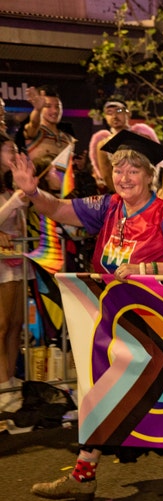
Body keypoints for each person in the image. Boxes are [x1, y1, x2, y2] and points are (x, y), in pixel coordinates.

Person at [11, 130, 163, 499]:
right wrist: (31, 193)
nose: (124, 177)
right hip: (112, 324)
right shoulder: (108, 207)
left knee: (122, 392)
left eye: (133, 170)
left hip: (156, 327)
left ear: (149, 175)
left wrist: (147, 270)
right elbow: (59, 210)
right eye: (118, 169)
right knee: (137, 395)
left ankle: (87, 474)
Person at [0, 132, 29, 412]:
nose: (14, 154)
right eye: (9, 149)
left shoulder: (11, 186)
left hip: (19, 261)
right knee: (2, 324)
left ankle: (10, 379)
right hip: (2, 266)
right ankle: (3, 384)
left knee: (16, 325)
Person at [21, 86, 75, 168]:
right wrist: (37, 110)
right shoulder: (35, 132)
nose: (55, 111)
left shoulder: (69, 140)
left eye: (57, 106)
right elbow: (34, 123)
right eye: (48, 106)